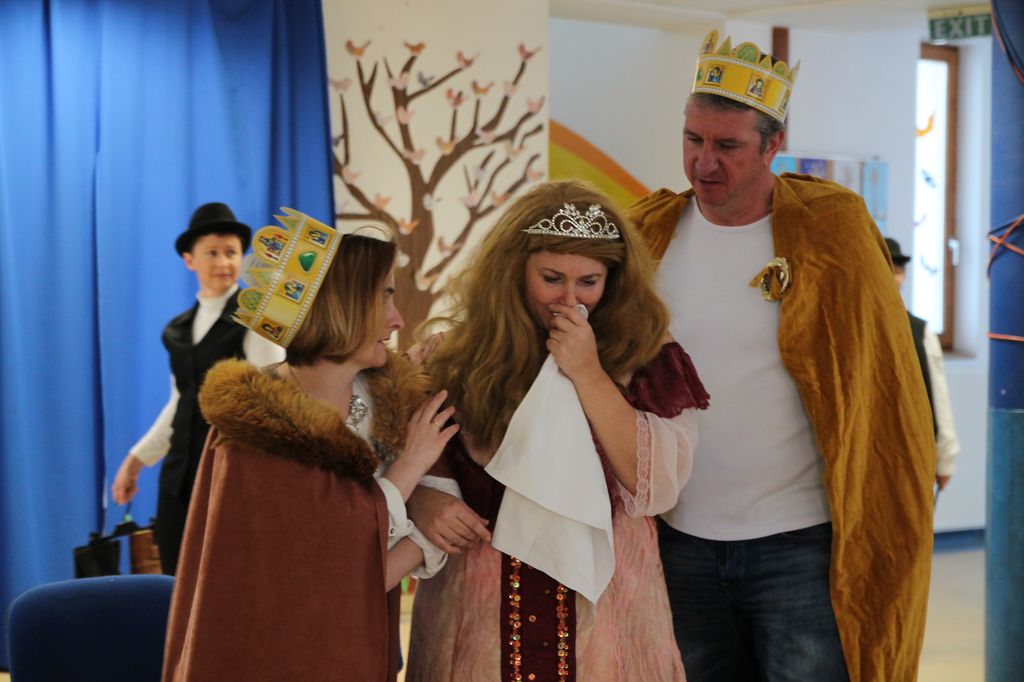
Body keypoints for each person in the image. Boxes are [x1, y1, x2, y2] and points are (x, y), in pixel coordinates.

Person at [627, 31, 936, 682]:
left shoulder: (830, 229)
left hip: (797, 541)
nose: (704, 162)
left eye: (728, 146)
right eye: (693, 139)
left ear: (773, 145)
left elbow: (882, 381)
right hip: (679, 536)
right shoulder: (649, 234)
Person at [404, 180, 709, 681]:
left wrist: (588, 373)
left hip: (606, 617)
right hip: (479, 614)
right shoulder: (450, 358)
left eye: (589, 281)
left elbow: (655, 486)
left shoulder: (648, 355)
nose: (569, 298)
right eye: (551, 278)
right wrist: (423, 499)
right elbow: (398, 465)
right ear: (513, 271)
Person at [163, 209, 454, 681]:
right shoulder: (256, 433)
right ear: (340, 306)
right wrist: (410, 480)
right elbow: (317, 580)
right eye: (383, 297)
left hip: (356, 648)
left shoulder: (386, 406)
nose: (397, 319)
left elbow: (355, 572)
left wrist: (422, 527)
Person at [110, 202, 285, 574]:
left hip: (232, 476)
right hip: (179, 479)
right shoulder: (177, 330)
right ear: (189, 260)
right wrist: (135, 461)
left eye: (231, 253)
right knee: (175, 579)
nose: (223, 262)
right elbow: (180, 402)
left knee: (229, 580)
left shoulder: (255, 317)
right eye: (212, 253)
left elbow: (273, 396)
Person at [886, 236, 960, 491]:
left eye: (898, 271)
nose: (894, 278)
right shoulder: (855, 330)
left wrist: (945, 458)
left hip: (912, 449)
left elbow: (938, 395)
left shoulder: (920, 332)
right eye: (887, 271)